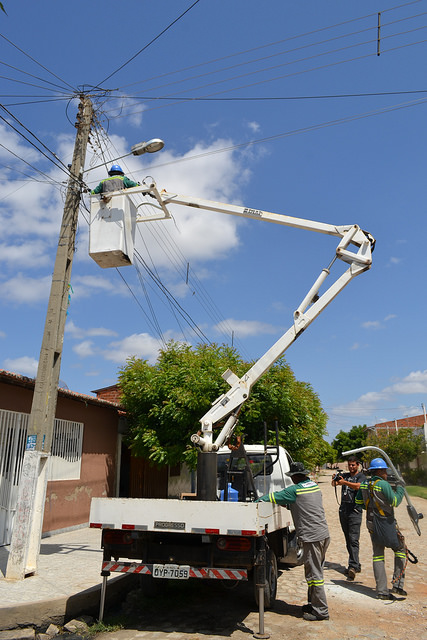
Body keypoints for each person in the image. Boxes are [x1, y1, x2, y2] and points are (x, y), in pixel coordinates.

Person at [256, 461, 330, 621]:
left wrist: (255, 502)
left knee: (314, 575)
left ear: (296, 477)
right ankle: (313, 604)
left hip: (312, 537)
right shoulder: (314, 486)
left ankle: (321, 611)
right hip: (323, 535)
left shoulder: (295, 490)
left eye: (292, 477)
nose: (292, 480)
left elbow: (271, 497)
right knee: (315, 571)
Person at [355, 458, 406, 600]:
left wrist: (369, 506)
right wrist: (401, 488)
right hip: (386, 524)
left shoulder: (365, 484)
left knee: (378, 554)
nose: (385, 473)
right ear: (379, 471)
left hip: (371, 523)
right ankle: (398, 584)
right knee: (401, 549)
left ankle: (382, 591)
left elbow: (358, 502)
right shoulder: (383, 484)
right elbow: (395, 501)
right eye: (384, 470)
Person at [331, 455, 366, 580]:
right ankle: (355, 564)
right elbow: (333, 484)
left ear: (357, 465)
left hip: (355, 511)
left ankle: (352, 566)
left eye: (353, 465)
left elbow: (358, 486)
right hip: (344, 511)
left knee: (354, 539)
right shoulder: (344, 475)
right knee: (348, 539)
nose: (351, 467)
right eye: (349, 465)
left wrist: (344, 482)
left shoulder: (361, 476)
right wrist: (335, 479)